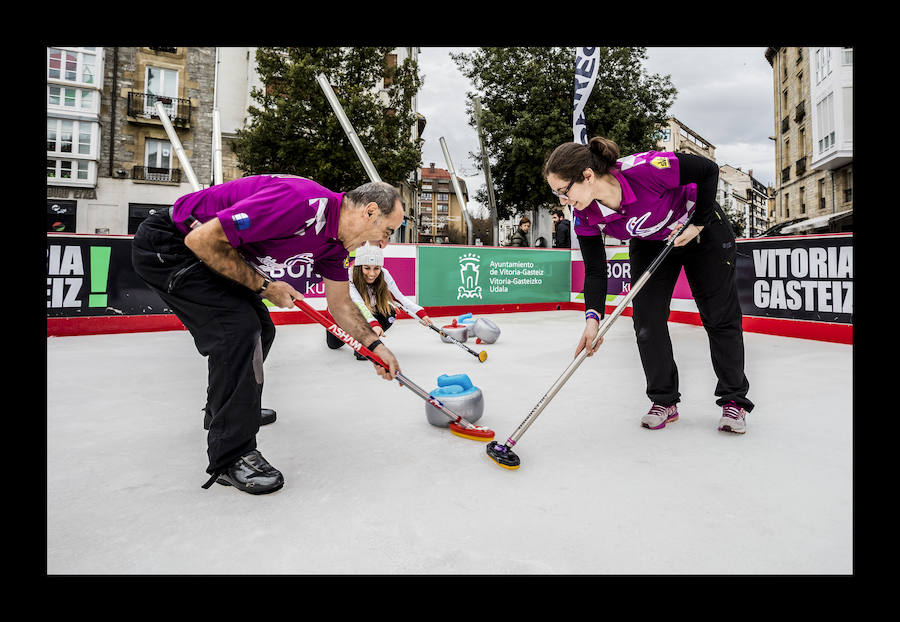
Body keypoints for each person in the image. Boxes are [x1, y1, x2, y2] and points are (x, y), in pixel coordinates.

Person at [131, 175, 404, 495]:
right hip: (173, 244)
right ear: (369, 212)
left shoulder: (335, 245)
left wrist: (375, 346)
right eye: (387, 231)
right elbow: (201, 240)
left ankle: (228, 410)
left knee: (261, 329)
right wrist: (265, 287)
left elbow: (341, 304)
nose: (384, 244)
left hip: (209, 252)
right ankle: (231, 456)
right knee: (238, 331)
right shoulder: (300, 202)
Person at [543, 137, 753, 434]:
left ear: (587, 176)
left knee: (719, 316)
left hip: (701, 229)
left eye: (563, 191)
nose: (562, 201)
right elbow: (594, 269)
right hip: (651, 242)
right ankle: (664, 399)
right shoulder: (583, 214)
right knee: (647, 320)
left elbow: (707, 168)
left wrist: (698, 223)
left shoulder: (645, 169)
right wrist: (593, 318)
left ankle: (734, 401)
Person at [325, 244, 434, 357]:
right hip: (340, 317)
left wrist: (420, 313)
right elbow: (358, 304)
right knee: (334, 344)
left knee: (389, 312)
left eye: (376, 268)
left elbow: (399, 298)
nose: (372, 274)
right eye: (367, 268)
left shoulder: (384, 274)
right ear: (359, 266)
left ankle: (364, 344)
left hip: (364, 315)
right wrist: (373, 324)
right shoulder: (348, 277)